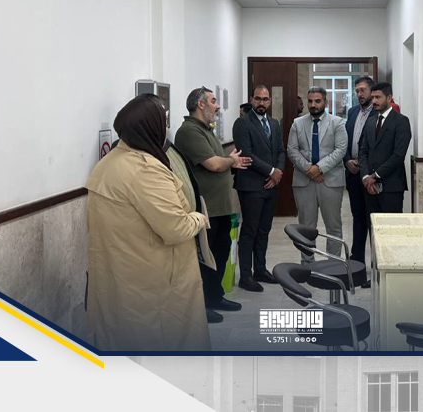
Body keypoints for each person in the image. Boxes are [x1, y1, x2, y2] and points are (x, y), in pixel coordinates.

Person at [85, 94, 211, 351]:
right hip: (152, 287)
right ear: (150, 128)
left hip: (119, 281)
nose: (166, 129)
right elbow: (176, 228)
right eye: (163, 123)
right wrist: (198, 218)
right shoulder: (145, 170)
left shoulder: (107, 164)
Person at [173, 87, 253, 323]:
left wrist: (229, 161)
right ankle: (202, 304)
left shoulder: (205, 129)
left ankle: (216, 296)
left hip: (220, 208)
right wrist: (231, 160)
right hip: (205, 209)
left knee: (220, 252)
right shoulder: (189, 131)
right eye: (213, 101)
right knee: (205, 260)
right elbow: (214, 165)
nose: (218, 106)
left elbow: (220, 162)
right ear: (201, 104)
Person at [232, 85, 286, 292]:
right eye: (258, 99)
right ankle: (245, 276)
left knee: (264, 230)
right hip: (251, 186)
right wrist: (271, 171)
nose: (262, 103)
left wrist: (277, 173)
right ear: (252, 100)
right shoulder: (242, 123)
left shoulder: (274, 123)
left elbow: (280, 150)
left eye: (265, 99)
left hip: (271, 185)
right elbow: (246, 153)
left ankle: (260, 270)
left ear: (270, 101)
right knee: (250, 231)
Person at [287, 86, 348, 262]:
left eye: (317, 101)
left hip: (330, 181)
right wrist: (310, 170)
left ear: (325, 102)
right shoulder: (297, 123)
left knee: (333, 227)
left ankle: (334, 265)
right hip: (304, 181)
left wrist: (319, 168)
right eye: (310, 101)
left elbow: (340, 149)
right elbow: (292, 150)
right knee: (306, 228)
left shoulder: (337, 123)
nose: (313, 105)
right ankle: (307, 265)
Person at [359, 82, 412, 220]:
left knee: (391, 227)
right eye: (373, 97)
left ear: (389, 98)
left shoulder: (401, 121)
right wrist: (365, 177)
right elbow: (363, 151)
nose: (374, 101)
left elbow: (398, 156)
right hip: (369, 187)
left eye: (378, 97)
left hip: (391, 187)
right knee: (373, 226)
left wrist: (375, 176)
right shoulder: (370, 121)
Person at [344, 76, 375, 271]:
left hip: (370, 175)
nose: (359, 94)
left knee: (371, 220)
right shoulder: (353, 112)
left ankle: (377, 265)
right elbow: (345, 140)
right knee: (357, 218)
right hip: (353, 173)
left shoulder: (379, 113)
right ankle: (357, 265)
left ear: (372, 91)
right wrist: (347, 160)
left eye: (363, 90)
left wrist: (365, 167)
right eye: (357, 91)